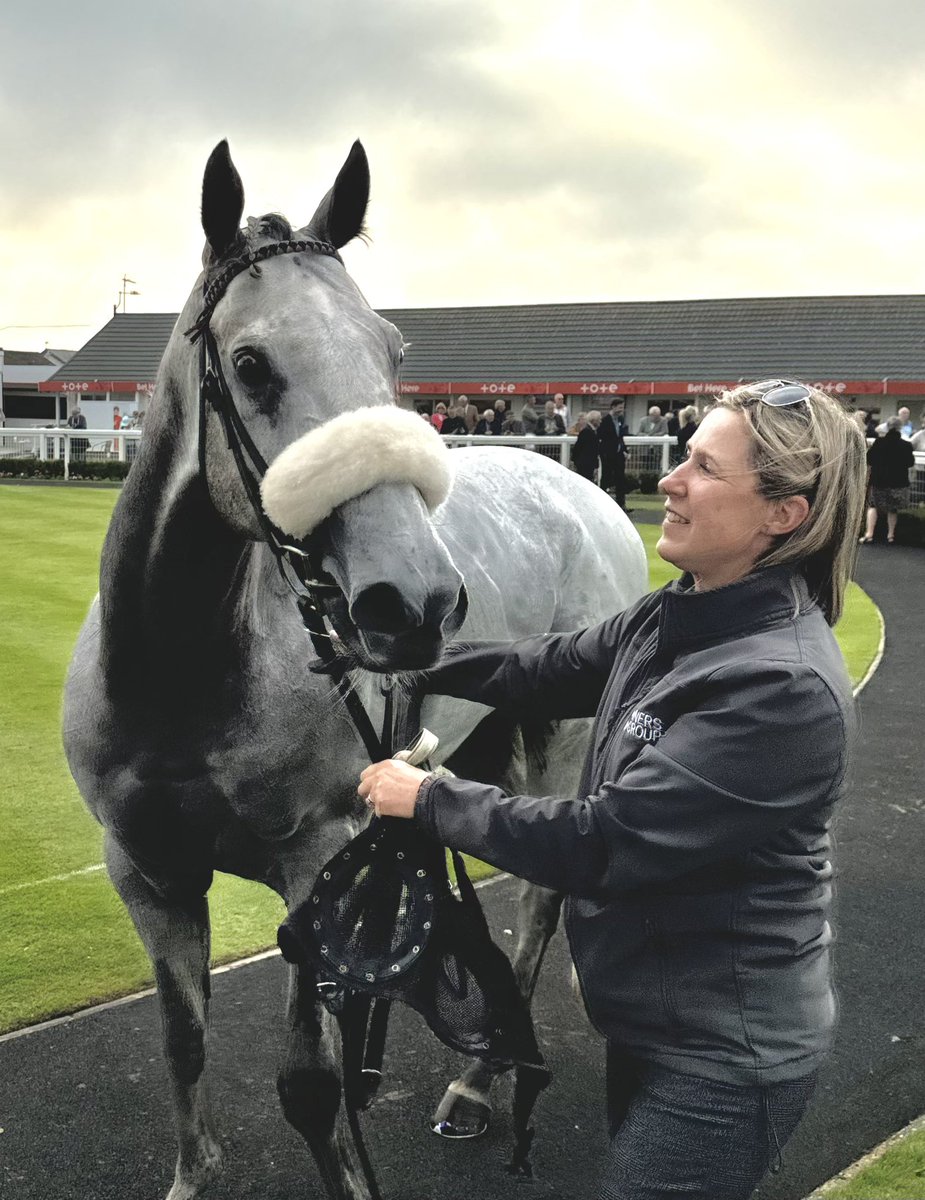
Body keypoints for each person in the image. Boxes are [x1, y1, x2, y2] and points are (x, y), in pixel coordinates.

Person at [358, 379, 866, 1200]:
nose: (667, 480)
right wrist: (406, 660)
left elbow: (603, 843)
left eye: (702, 467)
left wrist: (428, 797)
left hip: (725, 1061)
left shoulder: (781, 688)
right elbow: (546, 667)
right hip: (651, 1024)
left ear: (783, 515)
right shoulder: (676, 614)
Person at [861, 415, 915, 544]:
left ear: (887, 426)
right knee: (893, 509)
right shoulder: (906, 445)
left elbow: (869, 459)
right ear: (900, 428)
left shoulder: (879, 443)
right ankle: (890, 535)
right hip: (898, 483)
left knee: (873, 506)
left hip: (879, 481)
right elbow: (910, 463)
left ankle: (869, 533)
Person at [598, 399, 629, 509]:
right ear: (613, 407)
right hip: (608, 454)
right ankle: (601, 503)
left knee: (620, 478)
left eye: (622, 407)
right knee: (606, 477)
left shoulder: (620, 419)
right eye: (620, 407)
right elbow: (601, 437)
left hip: (619, 454)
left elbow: (620, 437)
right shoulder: (605, 420)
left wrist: (625, 450)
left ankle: (621, 504)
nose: (622, 410)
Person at [572, 409, 601, 480]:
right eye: (599, 419)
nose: (600, 421)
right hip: (585, 464)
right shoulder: (586, 432)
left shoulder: (592, 431)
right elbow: (578, 448)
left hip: (588, 464)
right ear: (594, 420)